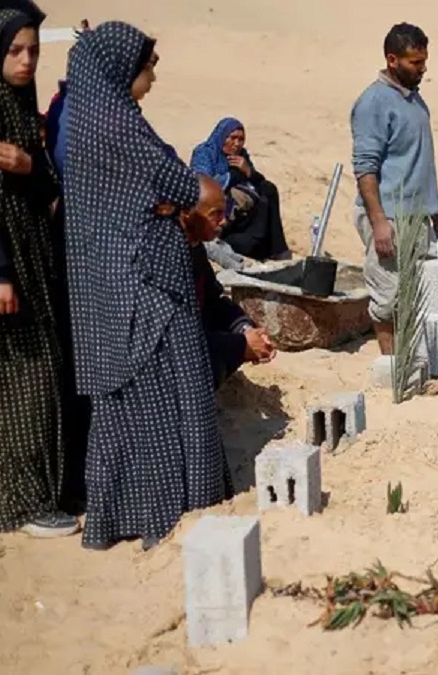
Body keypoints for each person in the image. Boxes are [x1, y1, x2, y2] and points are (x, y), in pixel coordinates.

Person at [63, 21, 232, 551]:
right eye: (148, 65)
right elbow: (181, 183)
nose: (154, 76)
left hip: (121, 279)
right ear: (120, 68)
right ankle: (168, 514)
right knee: (161, 397)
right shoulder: (113, 122)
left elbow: (170, 191)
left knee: (133, 406)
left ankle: (128, 516)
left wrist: (168, 202)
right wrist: (171, 200)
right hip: (141, 285)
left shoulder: (98, 117)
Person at [0, 2, 81, 538]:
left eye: (33, 51)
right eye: (15, 51)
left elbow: (46, 188)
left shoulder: (20, 107)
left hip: (33, 261)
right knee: (25, 379)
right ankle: (21, 503)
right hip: (6, 268)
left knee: (40, 375)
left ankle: (40, 490)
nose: (26, 62)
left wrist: (31, 168)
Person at [350, 22, 438, 356]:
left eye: (424, 61)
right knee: (388, 296)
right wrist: (379, 221)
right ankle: (391, 366)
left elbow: (418, 160)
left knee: (414, 294)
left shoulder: (415, 101)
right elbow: (365, 167)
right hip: (389, 216)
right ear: (393, 60)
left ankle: (410, 362)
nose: (422, 69)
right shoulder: (373, 102)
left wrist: (435, 209)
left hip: (417, 215)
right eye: (414, 63)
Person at [178, 175, 277, 388]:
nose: (223, 221)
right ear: (188, 214)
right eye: (216, 214)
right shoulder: (168, 260)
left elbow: (214, 300)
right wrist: (241, 346)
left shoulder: (195, 250)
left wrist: (246, 330)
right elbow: (180, 337)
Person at [189, 117, 290, 262]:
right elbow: (204, 184)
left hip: (243, 210)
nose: (236, 144)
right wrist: (233, 175)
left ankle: (277, 249)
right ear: (222, 136)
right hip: (215, 211)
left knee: (268, 189)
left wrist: (248, 171)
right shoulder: (204, 153)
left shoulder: (241, 155)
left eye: (241, 139)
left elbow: (258, 182)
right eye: (232, 138)